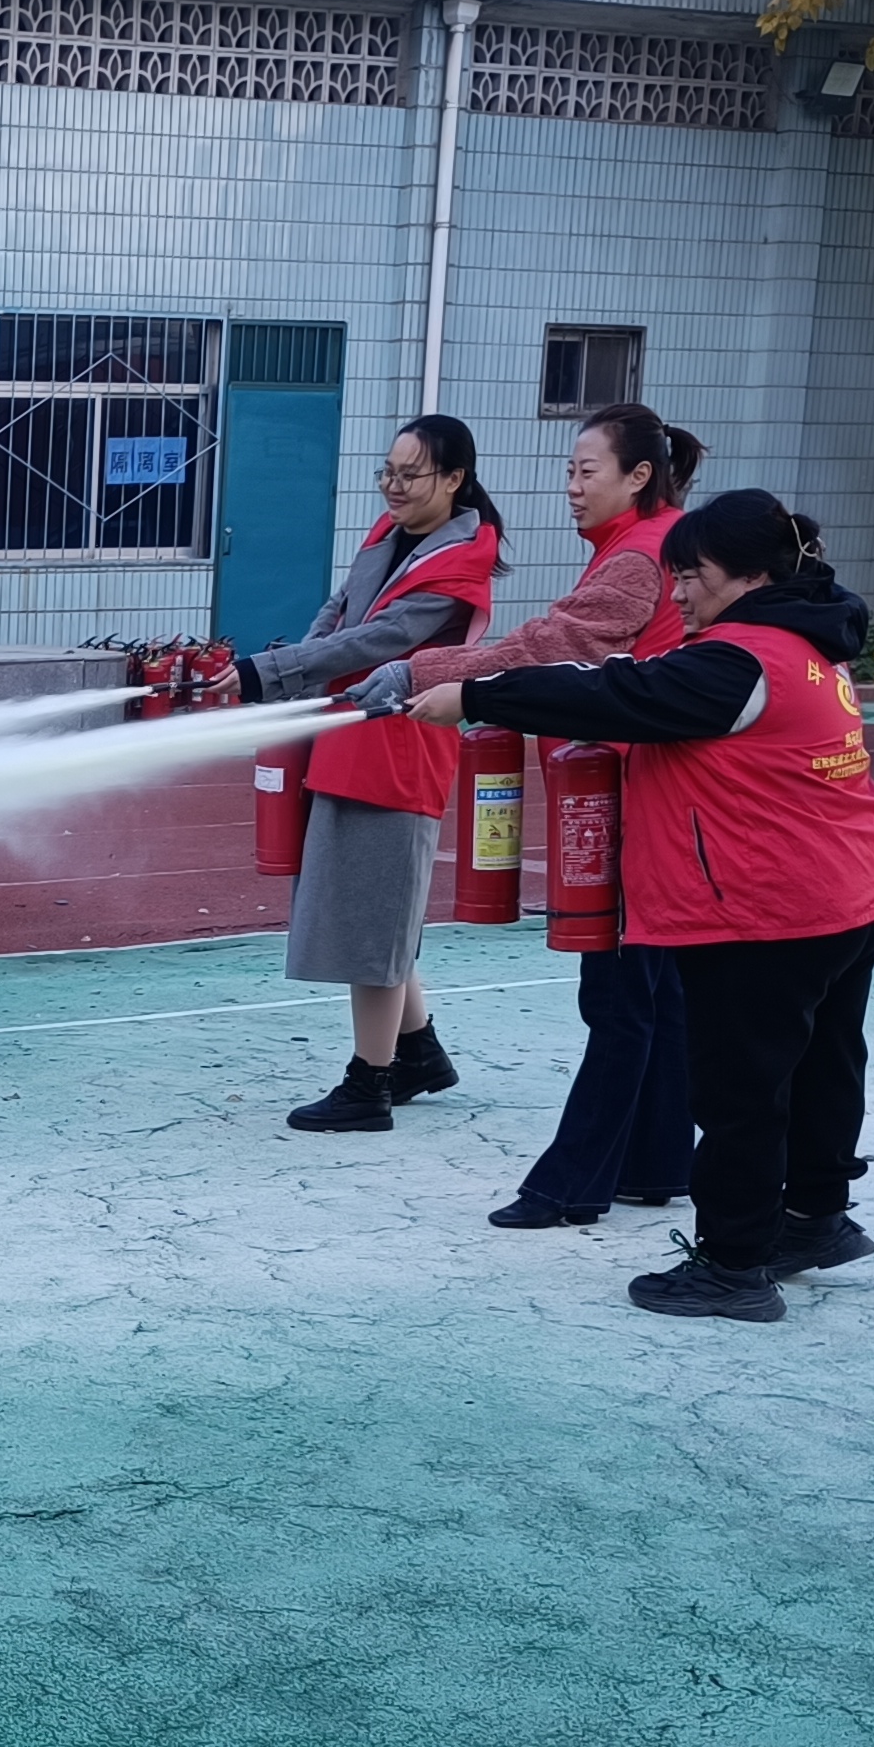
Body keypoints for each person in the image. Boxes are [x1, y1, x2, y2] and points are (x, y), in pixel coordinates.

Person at [410, 489, 874, 1323]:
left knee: (741, 1093)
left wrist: (478, 694)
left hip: (765, 912)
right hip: (847, 896)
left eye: (692, 575)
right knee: (825, 1067)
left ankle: (733, 1266)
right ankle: (815, 1219)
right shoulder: (810, 641)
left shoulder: (739, 661)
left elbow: (614, 693)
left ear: (749, 577)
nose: (677, 593)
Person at [363, 401, 705, 1228]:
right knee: (651, 988)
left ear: (639, 476)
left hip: (640, 793)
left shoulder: (640, 555)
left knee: (617, 994)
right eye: (568, 471)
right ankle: (658, 1161)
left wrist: (423, 672)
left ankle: (571, 1184)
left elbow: (550, 646)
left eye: (587, 471)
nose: (572, 487)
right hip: (651, 787)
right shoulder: (647, 545)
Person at [238, 415, 501, 1133]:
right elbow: (342, 611)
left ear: (454, 479)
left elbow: (380, 639)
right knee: (373, 914)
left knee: (373, 926)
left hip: (398, 757)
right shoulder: (392, 534)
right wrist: (294, 670)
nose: (393, 486)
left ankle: (370, 1085)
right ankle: (418, 1053)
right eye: (387, 471)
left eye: (410, 475)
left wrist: (272, 672)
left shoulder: (458, 566)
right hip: (350, 741)